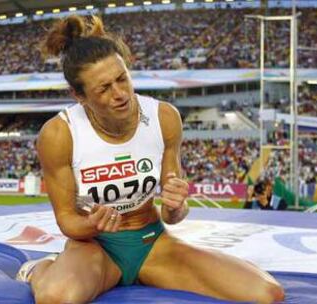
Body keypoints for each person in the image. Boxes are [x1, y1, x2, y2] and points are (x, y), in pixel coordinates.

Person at [16, 15, 285, 304]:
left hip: (152, 241)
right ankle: (39, 269)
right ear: (79, 96)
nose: (120, 94)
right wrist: (95, 225)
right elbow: (68, 220)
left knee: (267, 293)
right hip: (94, 248)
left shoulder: (163, 117)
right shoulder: (59, 133)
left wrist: (176, 205)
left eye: (122, 79)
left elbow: (173, 214)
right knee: (57, 298)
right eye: (104, 89)